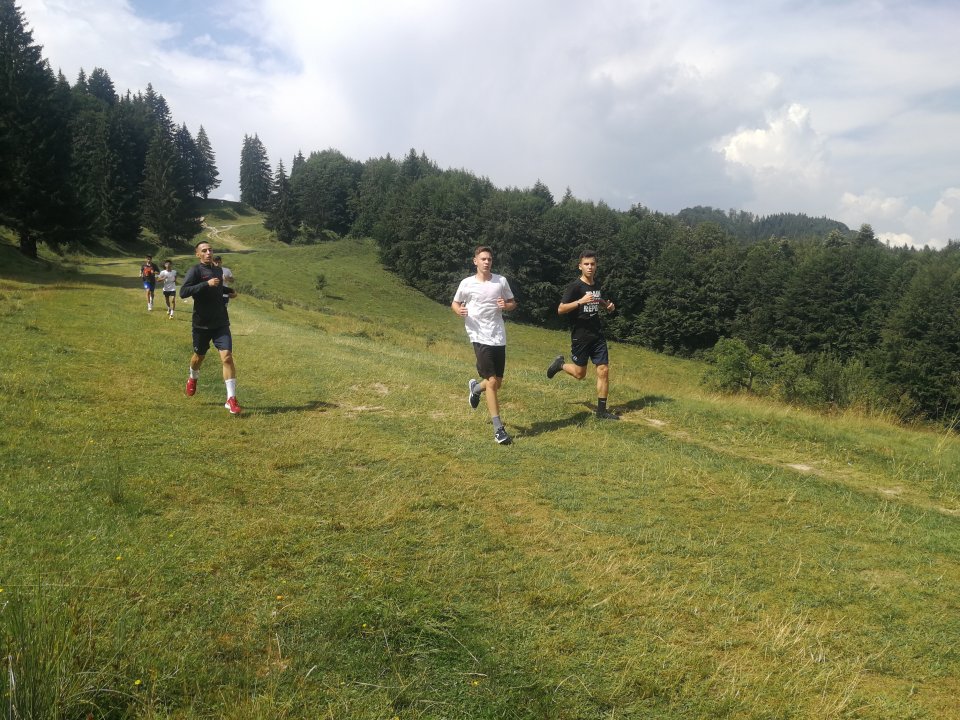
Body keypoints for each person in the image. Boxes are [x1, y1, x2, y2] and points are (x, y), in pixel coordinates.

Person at [451, 246, 517, 444]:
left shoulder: (501, 281)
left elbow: (513, 302)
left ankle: (475, 389)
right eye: (483, 259)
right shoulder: (466, 283)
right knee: (492, 381)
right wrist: (459, 311)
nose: (487, 262)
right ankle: (499, 430)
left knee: (497, 383)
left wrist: (506, 306)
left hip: (498, 336)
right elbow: (455, 303)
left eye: (489, 259)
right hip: (478, 335)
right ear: (475, 261)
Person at [546, 249, 620, 420]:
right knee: (580, 374)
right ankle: (560, 365)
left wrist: (607, 306)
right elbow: (560, 309)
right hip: (580, 336)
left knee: (603, 370)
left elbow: (596, 299)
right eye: (586, 264)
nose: (590, 267)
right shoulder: (575, 287)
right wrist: (580, 301)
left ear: (596, 266)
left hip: (597, 334)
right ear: (580, 266)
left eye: (592, 264)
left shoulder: (596, 285)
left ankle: (601, 411)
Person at [179, 241, 242, 415]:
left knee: (227, 357)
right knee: (198, 357)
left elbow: (218, 287)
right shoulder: (195, 271)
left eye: (210, 250)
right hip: (202, 324)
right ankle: (193, 378)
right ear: (198, 254)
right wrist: (206, 284)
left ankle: (231, 399)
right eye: (204, 250)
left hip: (220, 321)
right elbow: (183, 292)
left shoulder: (218, 270)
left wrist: (229, 291)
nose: (208, 253)